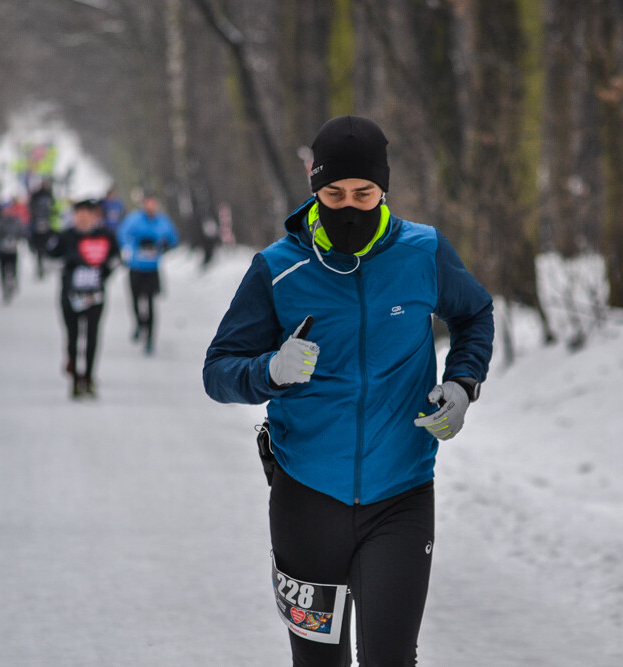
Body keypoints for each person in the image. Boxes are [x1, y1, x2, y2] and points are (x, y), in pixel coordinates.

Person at [203, 116, 494, 665]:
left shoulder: (423, 253)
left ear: (384, 189)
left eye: (364, 192)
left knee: (390, 658)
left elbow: (475, 313)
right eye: (334, 193)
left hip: (401, 496)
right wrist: (270, 370)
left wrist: (462, 381)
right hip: (306, 500)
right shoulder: (278, 269)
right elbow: (218, 371)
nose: (350, 206)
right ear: (314, 188)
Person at [47, 197, 120, 399]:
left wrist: (104, 273)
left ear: (94, 217)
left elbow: (116, 258)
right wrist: (66, 264)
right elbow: (50, 257)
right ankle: (74, 377)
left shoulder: (106, 236)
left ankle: (88, 377)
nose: (82, 220)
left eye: (87, 216)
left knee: (92, 337)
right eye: (78, 215)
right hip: (70, 295)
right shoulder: (66, 236)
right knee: (72, 337)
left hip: (95, 295)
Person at [117, 191, 179, 355]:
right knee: (136, 300)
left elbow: (173, 238)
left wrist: (166, 245)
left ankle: (150, 340)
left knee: (151, 303)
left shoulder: (162, 221)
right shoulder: (133, 220)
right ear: (143, 204)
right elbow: (122, 236)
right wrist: (132, 247)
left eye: (154, 203)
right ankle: (139, 323)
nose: (151, 206)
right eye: (148, 203)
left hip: (152, 269)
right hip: (136, 268)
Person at [0, 202, 26, 304]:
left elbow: (22, 233)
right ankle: (4, 289)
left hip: (13, 250)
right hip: (2, 251)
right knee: (2, 270)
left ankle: (13, 284)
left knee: (14, 268)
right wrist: (0, 243)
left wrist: (16, 241)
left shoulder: (16, 221)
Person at [28, 178, 57, 279]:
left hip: (47, 223)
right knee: (36, 244)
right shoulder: (36, 195)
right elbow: (31, 207)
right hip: (37, 223)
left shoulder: (49, 195)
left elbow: (54, 208)